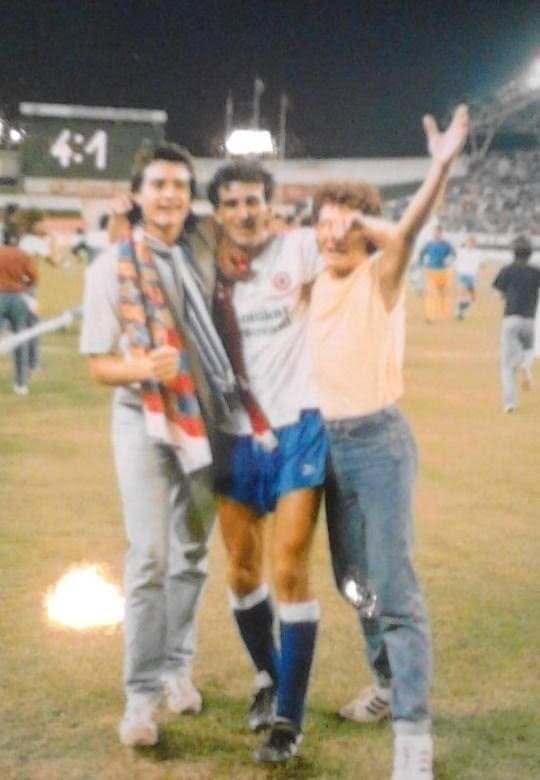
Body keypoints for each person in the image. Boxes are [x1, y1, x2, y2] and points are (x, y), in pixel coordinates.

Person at [308, 105, 469, 780]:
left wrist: (441, 168)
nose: (332, 235)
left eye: (345, 225)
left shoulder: (382, 275)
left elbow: (405, 234)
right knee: (355, 583)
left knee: (394, 590)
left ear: (367, 232)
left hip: (378, 445)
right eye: (323, 224)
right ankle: (383, 681)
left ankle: (413, 735)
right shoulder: (314, 284)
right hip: (325, 448)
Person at [80, 142, 232, 748]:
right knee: (149, 555)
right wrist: (142, 366)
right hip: (141, 418)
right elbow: (98, 364)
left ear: (190, 198)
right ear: (138, 195)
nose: (170, 194)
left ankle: (177, 668)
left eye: (180, 185)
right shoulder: (109, 268)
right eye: (159, 184)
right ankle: (140, 697)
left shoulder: (206, 257)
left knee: (191, 555)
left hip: (207, 421)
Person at [207, 161, 327, 763]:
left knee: (289, 566)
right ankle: (268, 676)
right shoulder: (205, 269)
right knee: (240, 570)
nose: (245, 212)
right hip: (233, 433)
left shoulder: (300, 248)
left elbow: (362, 251)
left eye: (254, 200)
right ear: (218, 213)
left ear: (270, 205)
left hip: (301, 424)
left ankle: (288, 720)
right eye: (232, 203)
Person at [492, 235, 540, 413]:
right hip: (530, 319)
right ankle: (526, 364)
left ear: (513, 252)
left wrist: (506, 295)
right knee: (528, 349)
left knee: (507, 365)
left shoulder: (507, 270)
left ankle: (510, 403)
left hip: (511, 317)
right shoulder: (536, 271)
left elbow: (497, 292)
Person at [0, 243, 38, 394]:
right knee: (21, 339)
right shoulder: (22, 254)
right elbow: (34, 276)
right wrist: (25, 285)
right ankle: (21, 383)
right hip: (18, 296)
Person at [417, 223, 456, 322]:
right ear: (432, 233)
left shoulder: (446, 244)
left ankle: (443, 313)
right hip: (431, 271)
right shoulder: (428, 244)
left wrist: (449, 260)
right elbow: (421, 254)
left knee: (443, 293)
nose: (436, 234)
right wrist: (421, 263)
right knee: (431, 294)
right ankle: (430, 316)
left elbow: (454, 254)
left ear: (441, 233)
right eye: (435, 232)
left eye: (438, 232)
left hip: (443, 272)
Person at [454, 234, 483, 319]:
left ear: (475, 244)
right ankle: (460, 312)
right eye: (469, 242)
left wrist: (481, 267)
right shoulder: (461, 251)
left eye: (472, 242)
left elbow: (482, 264)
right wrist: (457, 270)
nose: (470, 244)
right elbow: (456, 261)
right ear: (466, 242)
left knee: (472, 297)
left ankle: (464, 308)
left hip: (472, 276)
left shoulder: (478, 253)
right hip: (462, 274)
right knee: (462, 292)